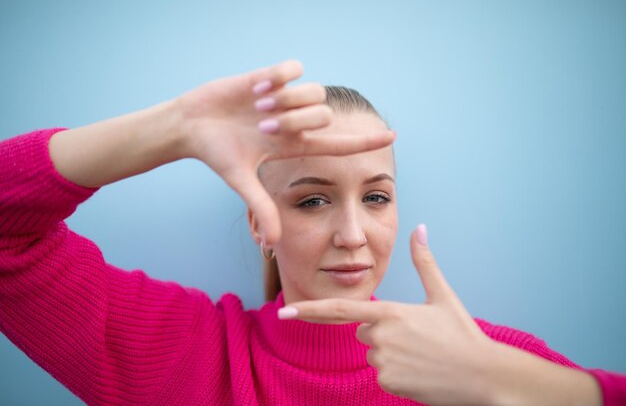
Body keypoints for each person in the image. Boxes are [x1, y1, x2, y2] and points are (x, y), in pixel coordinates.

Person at [0, 60, 624, 406]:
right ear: (258, 222)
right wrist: (174, 127)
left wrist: (511, 386)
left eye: (375, 197)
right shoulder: (182, 358)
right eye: (313, 200)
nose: (353, 234)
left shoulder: (488, 361)